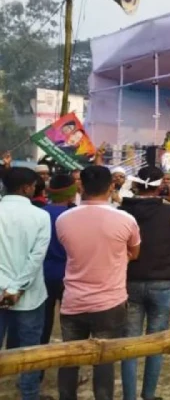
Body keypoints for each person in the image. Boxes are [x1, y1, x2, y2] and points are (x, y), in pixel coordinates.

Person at [55, 165, 140, 400]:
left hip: (73, 300)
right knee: (104, 360)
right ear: (111, 186)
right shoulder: (125, 219)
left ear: (81, 186)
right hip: (110, 302)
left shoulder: (64, 219)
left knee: (69, 359)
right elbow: (134, 252)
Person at [118, 166, 170, 400]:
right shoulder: (169, 211)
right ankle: (149, 394)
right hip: (161, 280)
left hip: (130, 278)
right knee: (157, 341)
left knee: (130, 343)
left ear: (136, 184)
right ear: (159, 187)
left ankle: (129, 396)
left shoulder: (121, 210)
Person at [0, 167, 50, 400]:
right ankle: (29, 395)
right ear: (26, 188)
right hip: (29, 295)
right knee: (30, 350)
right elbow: (36, 257)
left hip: (5, 291)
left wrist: (6, 287)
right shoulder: (40, 216)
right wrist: (16, 288)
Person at [41, 174, 78, 347]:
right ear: (71, 193)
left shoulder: (41, 213)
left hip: (43, 273)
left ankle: (38, 360)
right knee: (70, 324)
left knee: (42, 322)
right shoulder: (75, 216)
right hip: (69, 275)